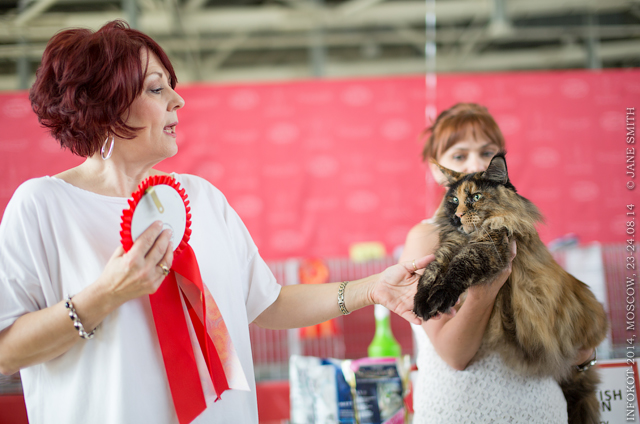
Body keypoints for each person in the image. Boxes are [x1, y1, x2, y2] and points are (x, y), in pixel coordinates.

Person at [0, 21, 431, 424]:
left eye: (171, 87)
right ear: (105, 104)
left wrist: (372, 288)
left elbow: (268, 303)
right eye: (156, 88)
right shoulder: (42, 206)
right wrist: (107, 294)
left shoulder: (200, 198)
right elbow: (5, 353)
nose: (178, 100)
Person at [400, 103, 595, 423]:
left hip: (543, 409)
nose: (475, 163)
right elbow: (454, 354)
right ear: (438, 170)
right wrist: (484, 290)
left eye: (487, 152)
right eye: (460, 156)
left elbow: (572, 343)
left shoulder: (518, 230)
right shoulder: (426, 237)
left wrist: (579, 350)